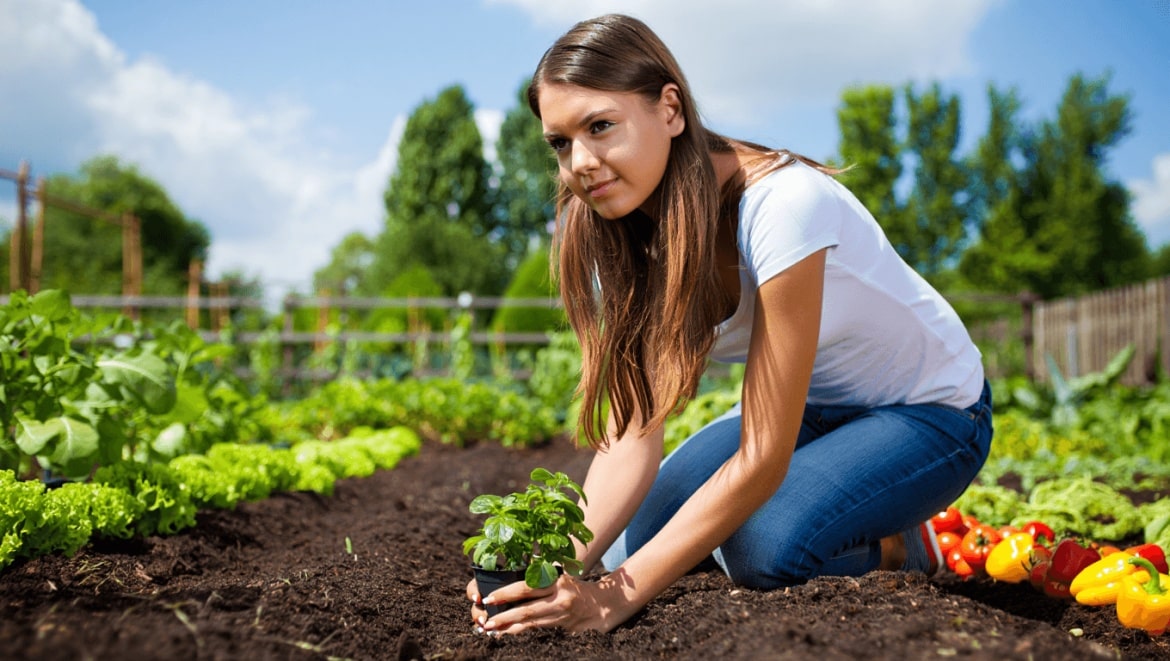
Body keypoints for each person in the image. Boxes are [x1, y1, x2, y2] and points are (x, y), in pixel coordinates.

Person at [467, 13, 993, 635]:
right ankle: (836, 496)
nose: (581, 161)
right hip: (815, 408)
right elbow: (632, 431)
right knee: (636, 538)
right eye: (560, 142)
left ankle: (906, 544)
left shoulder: (783, 207)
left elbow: (762, 456)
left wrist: (608, 600)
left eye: (601, 126)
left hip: (929, 412)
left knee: (763, 550)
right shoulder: (617, 230)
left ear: (669, 110)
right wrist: (552, 572)